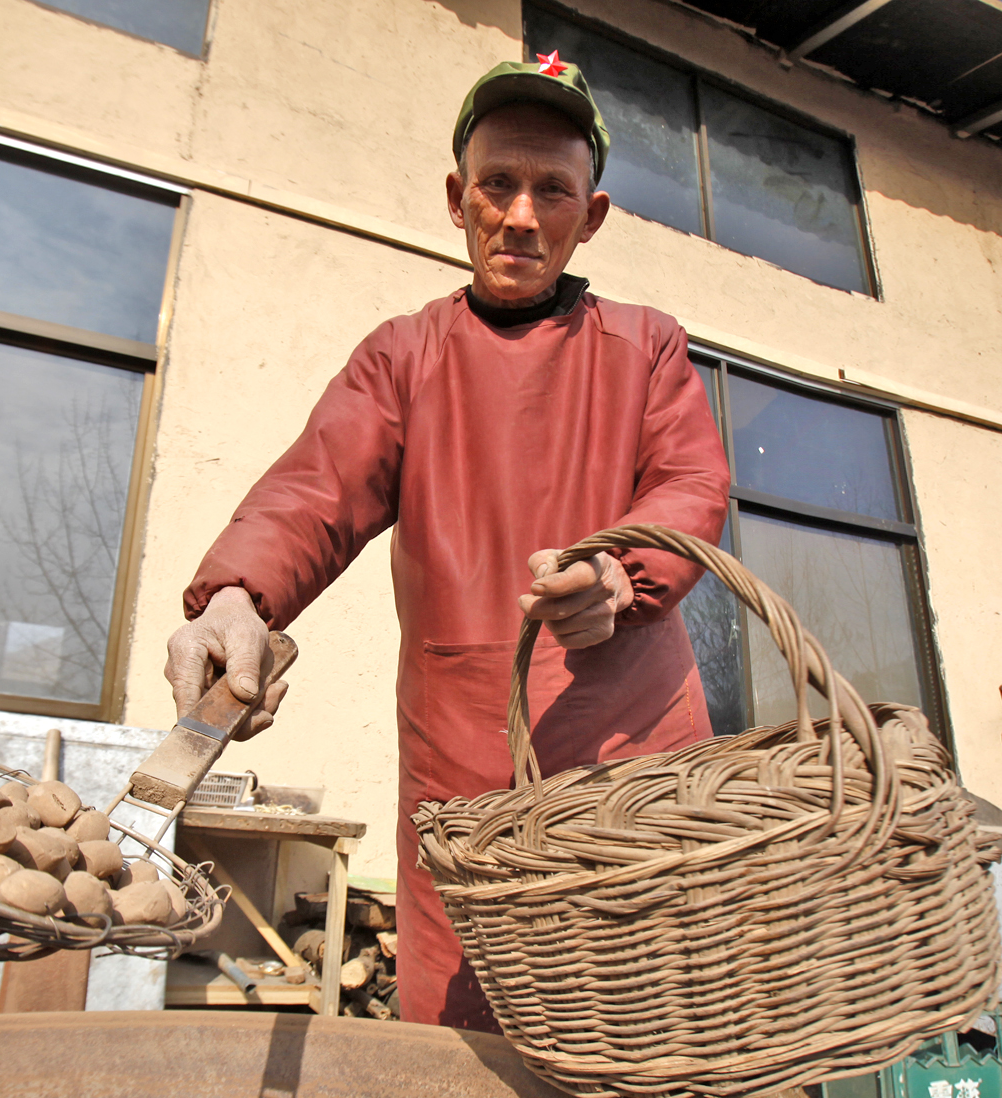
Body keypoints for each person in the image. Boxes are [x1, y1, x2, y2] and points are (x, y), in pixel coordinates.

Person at [165, 54, 730, 1031]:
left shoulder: (646, 346)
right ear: (456, 199)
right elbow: (314, 489)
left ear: (588, 215)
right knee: (465, 1047)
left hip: (634, 758)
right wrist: (233, 599)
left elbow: (692, 484)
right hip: (461, 778)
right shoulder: (404, 357)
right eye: (496, 185)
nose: (520, 215)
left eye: (550, 189)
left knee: (643, 1023)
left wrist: (622, 573)